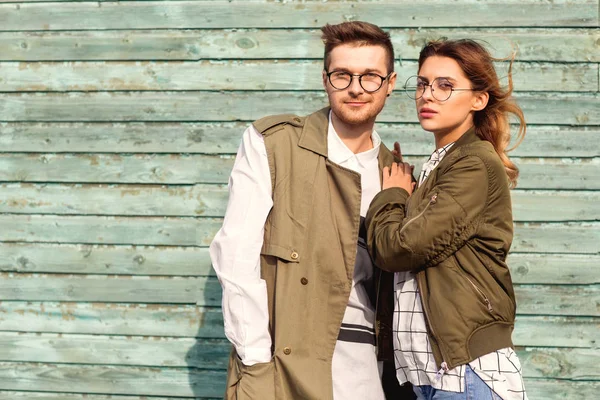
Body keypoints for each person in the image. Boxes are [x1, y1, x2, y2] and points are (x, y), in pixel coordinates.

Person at [209, 21, 415, 399]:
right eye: (342, 75)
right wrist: (255, 361)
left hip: (368, 373)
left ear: (389, 83)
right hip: (283, 369)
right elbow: (235, 256)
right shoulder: (273, 143)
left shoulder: (396, 174)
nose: (355, 87)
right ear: (325, 79)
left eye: (370, 76)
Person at [364, 39, 529, 400]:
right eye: (422, 84)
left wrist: (391, 195)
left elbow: (400, 250)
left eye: (445, 86)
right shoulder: (439, 166)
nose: (427, 95)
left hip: (464, 373)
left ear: (478, 99)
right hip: (428, 378)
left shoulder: (473, 163)